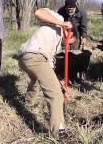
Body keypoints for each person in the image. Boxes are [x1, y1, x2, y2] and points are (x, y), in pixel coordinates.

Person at [18, 8, 73, 139]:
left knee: (37, 79)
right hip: (34, 56)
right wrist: (62, 23)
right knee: (55, 95)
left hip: (27, 58)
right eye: (70, 37)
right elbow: (38, 13)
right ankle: (58, 133)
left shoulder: (57, 41)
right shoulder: (57, 19)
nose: (69, 39)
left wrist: (59, 85)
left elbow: (49, 68)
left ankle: (28, 103)